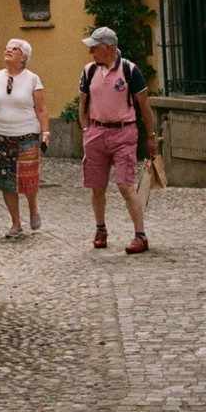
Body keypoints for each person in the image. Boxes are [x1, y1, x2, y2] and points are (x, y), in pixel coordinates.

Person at [78, 26, 157, 255]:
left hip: (124, 133)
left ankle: (140, 235)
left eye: (95, 47)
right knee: (97, 187)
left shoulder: (129, 70)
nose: (91, 52)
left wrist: (151, 137)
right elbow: (82, 104)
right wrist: (86, 130)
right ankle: (100, 229)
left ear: (109, 48)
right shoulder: (89, 71)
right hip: (96, 133)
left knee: (125, 185)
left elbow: (144, 105)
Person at [0, 38, 51, 238]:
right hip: (0, 135)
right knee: (6, 180)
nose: (8, 51)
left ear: (23, 57)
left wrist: (45, 132)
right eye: (7, 48)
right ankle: (16, 223)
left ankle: (33, 207)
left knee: (27, 178)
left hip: (26, 134)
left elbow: (42, 109)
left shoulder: (32, 79)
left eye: (14, 49)